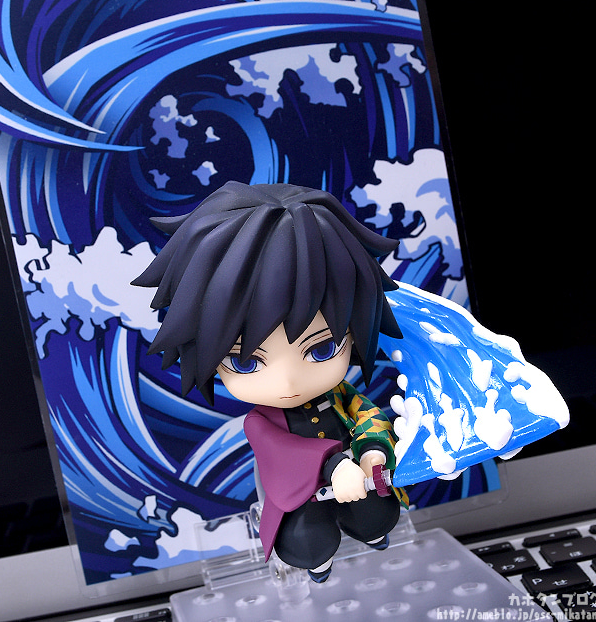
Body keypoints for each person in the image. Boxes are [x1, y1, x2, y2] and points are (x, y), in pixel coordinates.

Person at [133, 181, 407, 582]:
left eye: (321, 349)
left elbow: (367, 415)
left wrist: (373, 452)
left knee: (377, 513)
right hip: (303, 498)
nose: (288, 381)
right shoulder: (261, 423)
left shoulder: (340, 395)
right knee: (306, 539)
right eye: (245, 362)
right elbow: (282, 456)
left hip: (355, 479)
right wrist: (334, 466)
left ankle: (374, 533)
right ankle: (319, 562)